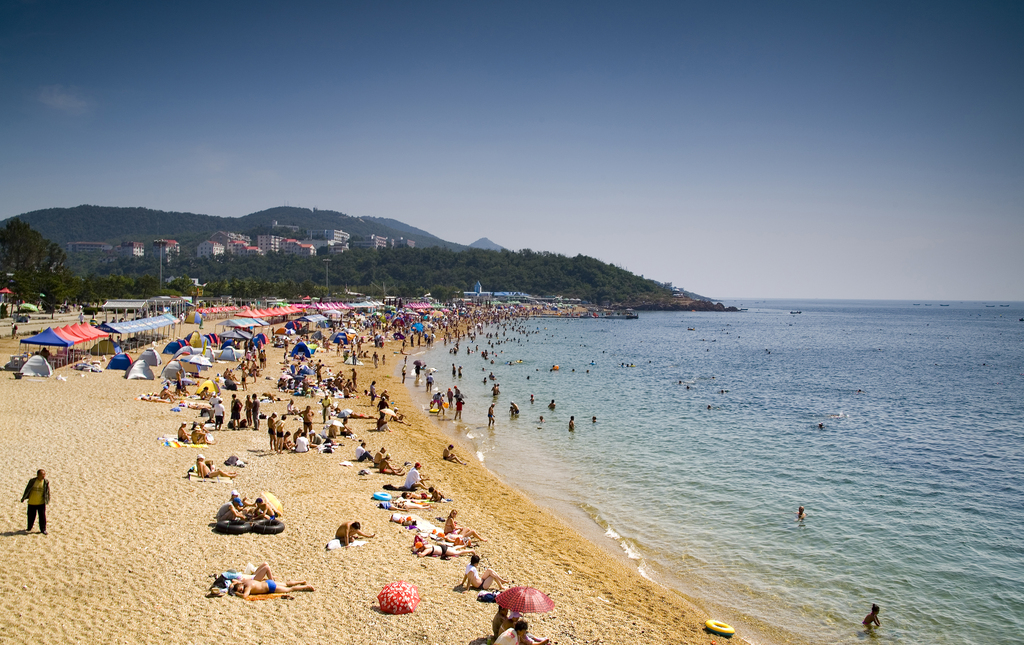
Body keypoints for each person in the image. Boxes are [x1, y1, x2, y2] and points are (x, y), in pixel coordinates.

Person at [225, 563, 314, 598]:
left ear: (240, 586)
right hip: (267, 582)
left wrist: (237, 593)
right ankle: (300, 581)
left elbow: (244, 596)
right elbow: (235, 582)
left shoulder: (247, 587)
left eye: (240, 589)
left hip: (270, 587)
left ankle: (305, 586)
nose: (241, 590)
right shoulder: (244, 582)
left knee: (290, 589)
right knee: (286, 584)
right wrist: (233, 586)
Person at [21, 469, 49, 534]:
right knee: (31, 516)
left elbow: (47, 492)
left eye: (44, 475)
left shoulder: (45, 482)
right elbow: (27, 489)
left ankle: (43, 529)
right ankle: (29, 528)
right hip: (32, 502)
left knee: (42, 517)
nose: (43, 476)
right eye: (42, 475)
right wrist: (23, 498)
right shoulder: (32, 481)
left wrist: (47, 500)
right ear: (38, 475)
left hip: (41, 503)